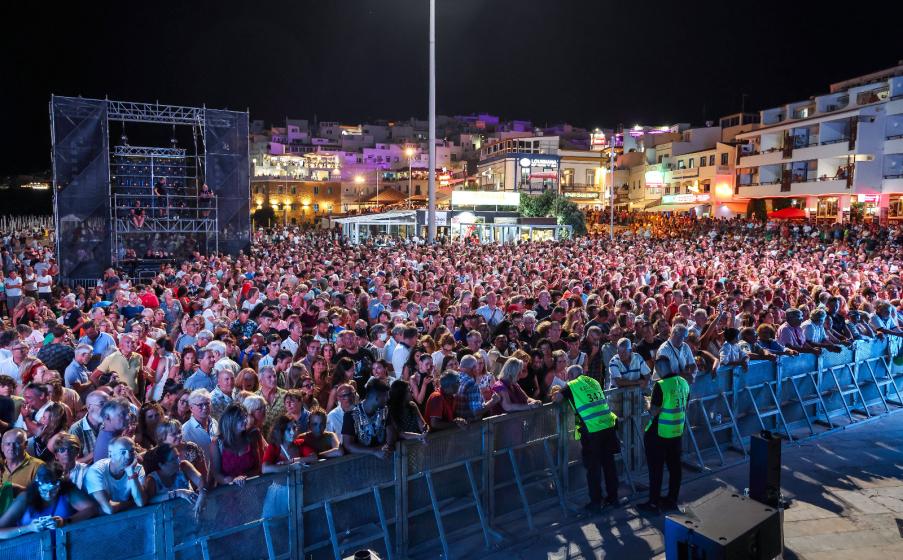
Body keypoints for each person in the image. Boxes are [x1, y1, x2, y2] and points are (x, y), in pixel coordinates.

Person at [553, 364, 621, 513]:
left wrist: (557, 392)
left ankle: (596, 502)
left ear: (570, 377)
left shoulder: (572, 385)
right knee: (609, 464)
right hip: (608, 426)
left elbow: (557, 398)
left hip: (592, 430)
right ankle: (613, 498)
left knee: (593, 467)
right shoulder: (594, 381)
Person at [638, 357, 690, 514]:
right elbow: (685, 406)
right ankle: (671, 499)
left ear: (659, 369)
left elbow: (654, 411)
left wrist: (646, 403)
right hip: (677, 431)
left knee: (656, 469)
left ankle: (653, 504)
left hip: (659, 433)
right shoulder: (683, 382)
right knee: (675, 468)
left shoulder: (660, 386)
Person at [0, 462, 97, 539]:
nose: (48, 494)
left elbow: (92, 509)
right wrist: (29, 528)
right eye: (43, 490)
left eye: (53, 490)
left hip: (63, 544)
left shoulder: (67, 492)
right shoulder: (25, 498)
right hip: (30, 549)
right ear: (37, 485)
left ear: (60, 485)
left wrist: (65, 521)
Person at [85, 436, 146, 514]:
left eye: (131, 451)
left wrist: (131, 473)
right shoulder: (96, 471)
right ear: (110, 455)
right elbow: (108, 509)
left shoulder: (137, 468)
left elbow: (141, 502)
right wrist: (132, 502)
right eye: (123, 452)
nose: (128, 456)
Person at [142, 443, 206, 515]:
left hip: (189, 513)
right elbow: (149, 500)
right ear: (161, 465)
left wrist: (202, 492)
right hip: (167, 520)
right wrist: (178, 493)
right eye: (173, 459)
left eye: (177, 457)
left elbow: (200, 480)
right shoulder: (152, 480)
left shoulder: (183, 466)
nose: (178, 461)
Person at [209, 403, 263, 487]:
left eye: (245, 417)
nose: (245, 420)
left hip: (251, 488)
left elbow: (258, 467)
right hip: (227, 492)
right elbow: (216, 474)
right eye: (240, 418)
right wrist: (230, 480)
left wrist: (244, 478)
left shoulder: (252, 437)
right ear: (230, 421)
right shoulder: (216, 443)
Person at [342, 378, 390, 459]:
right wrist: (374, 451)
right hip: (358, 464)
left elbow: (391, 435)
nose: (387, 398)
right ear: (376, 398)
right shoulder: (350, 415)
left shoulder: (385, 411)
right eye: (385, 396)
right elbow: (348, 445)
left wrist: (386, 447)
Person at [181, 389, 218, 465]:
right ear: (191, 408)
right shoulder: (185, 430)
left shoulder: (214, 422)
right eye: (200, 405)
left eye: (207, 404)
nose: (204, 407)